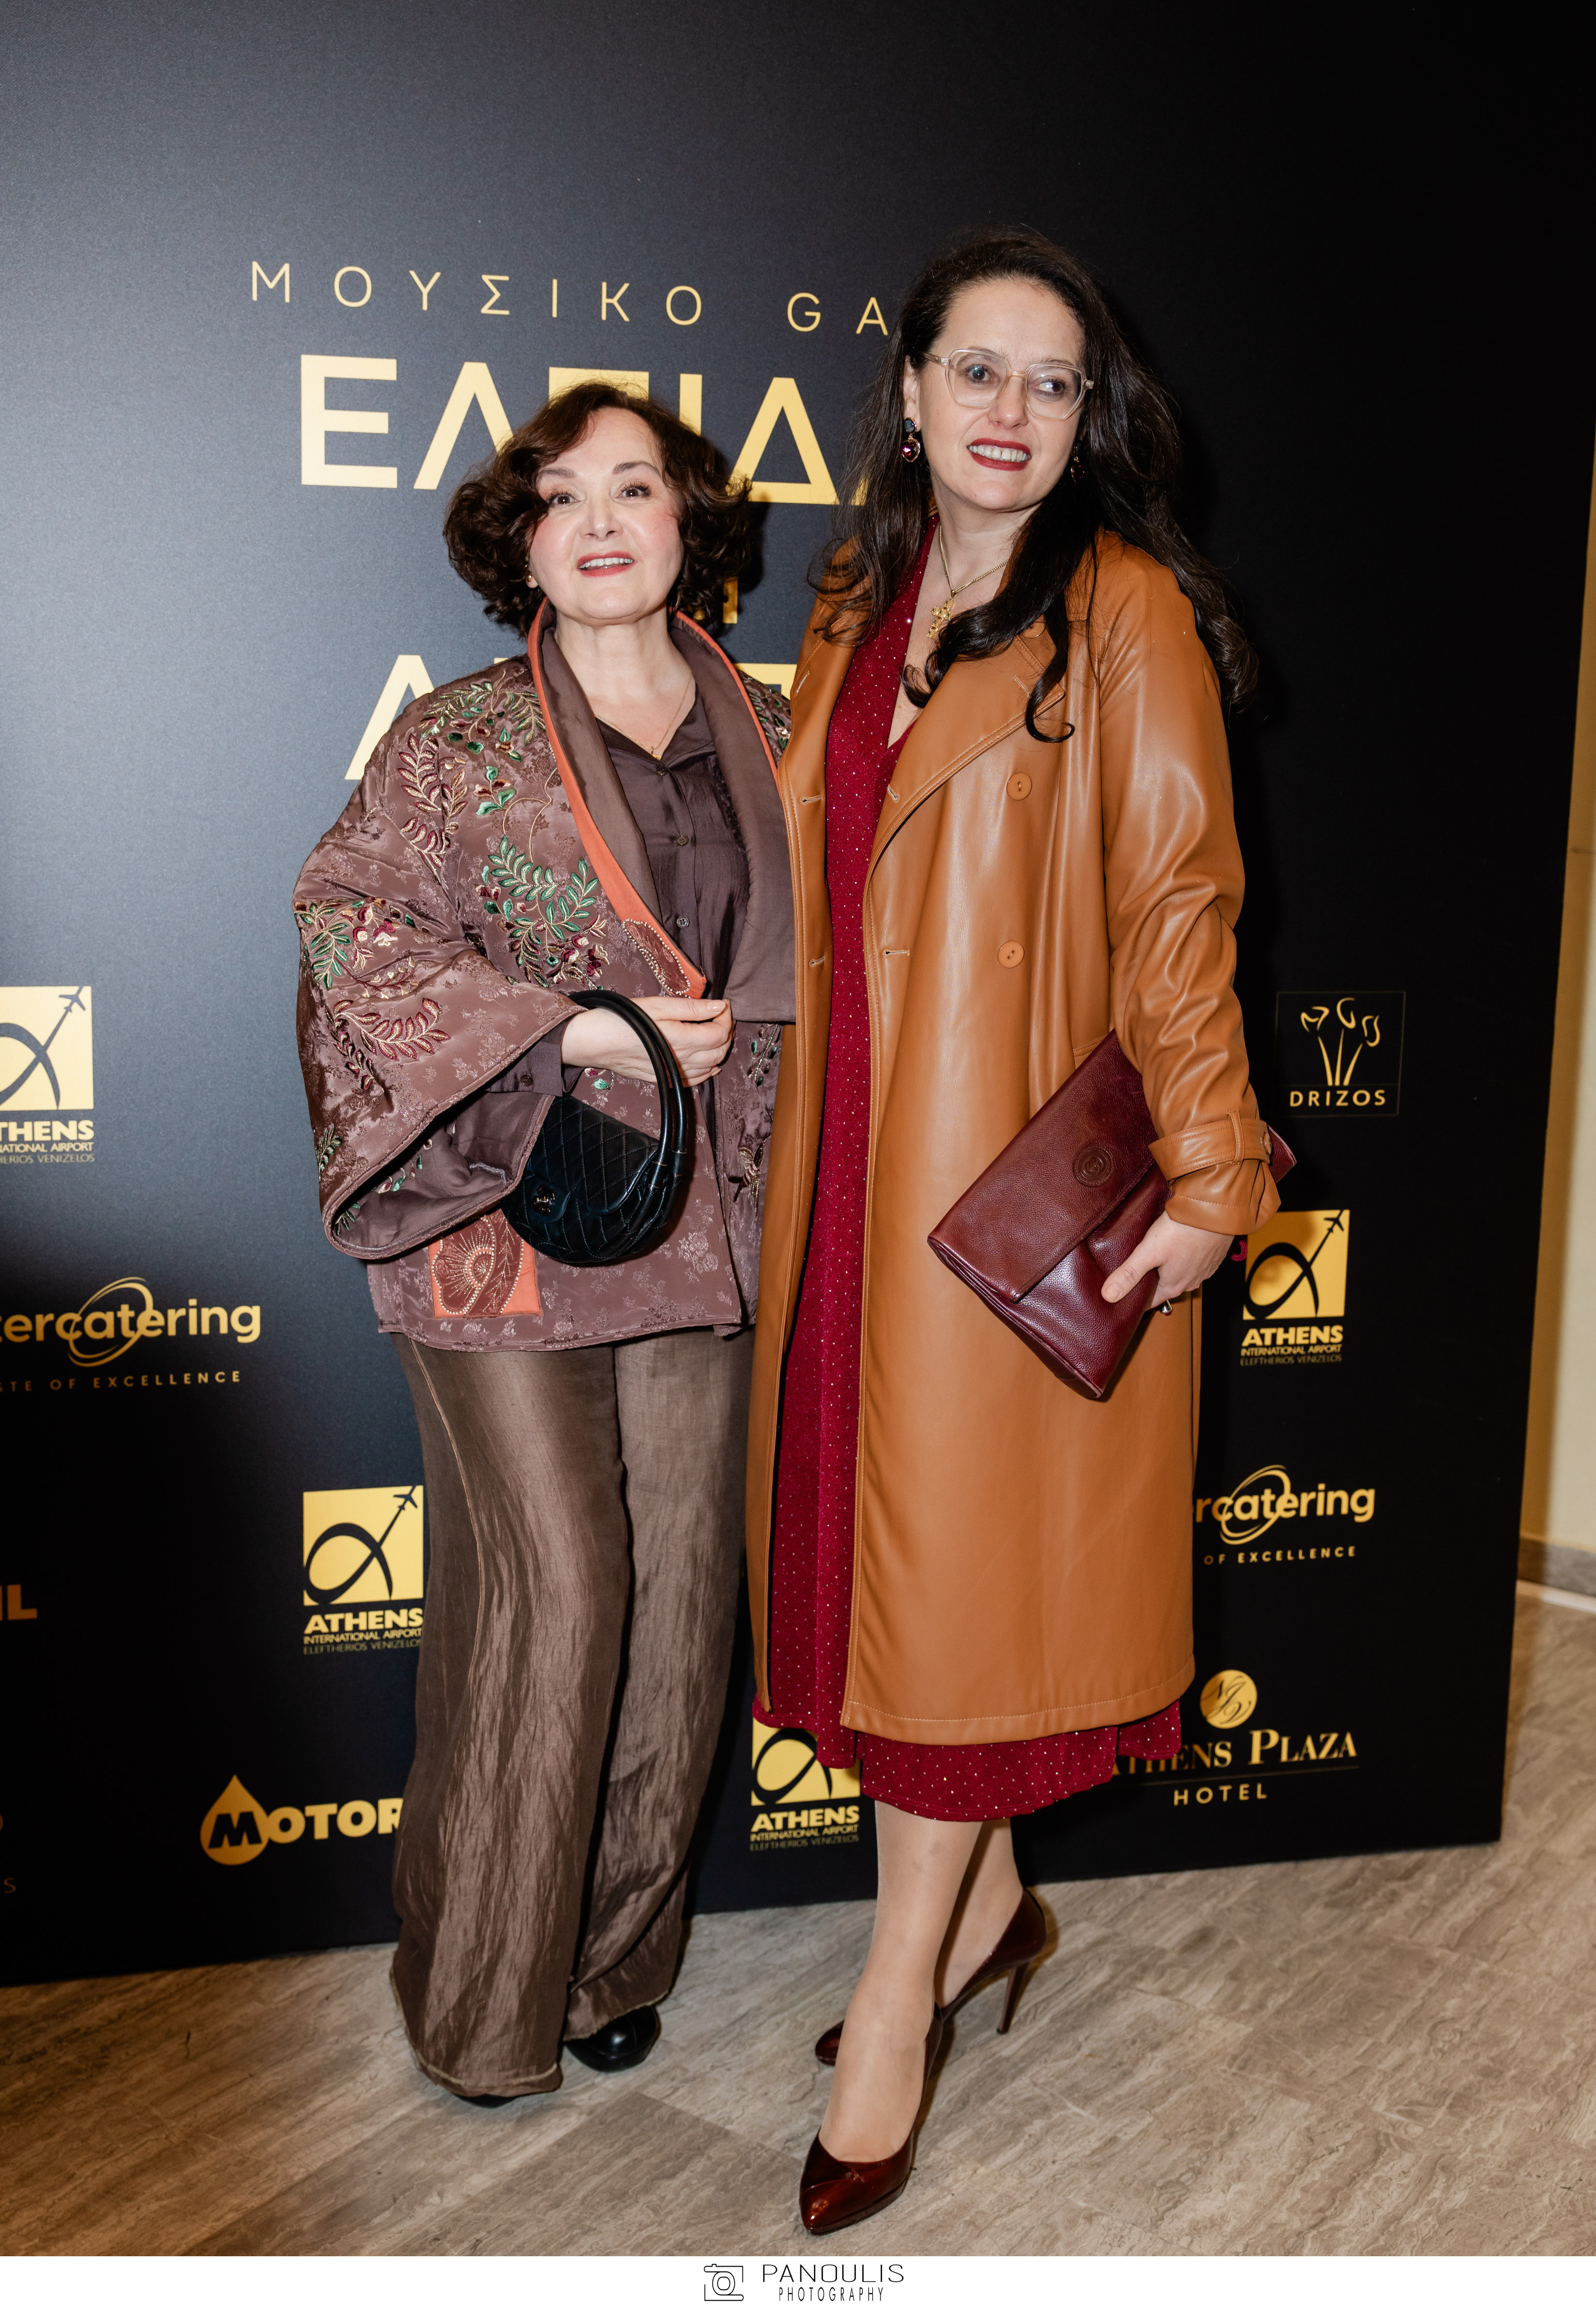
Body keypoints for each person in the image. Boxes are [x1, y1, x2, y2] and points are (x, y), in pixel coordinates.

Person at [746, 228, 1278, 2230]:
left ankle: (899, 2002)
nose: (1012, 411)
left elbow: (1180, 904)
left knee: (951, 1630)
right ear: (909, 391)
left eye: (1054, 383)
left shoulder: (1123, 608)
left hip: (1002, 1181)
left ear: (1088, 418)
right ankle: (992, 1916)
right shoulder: (859, 600)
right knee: (881, 1598)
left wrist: (1214, 1176)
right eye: (979, 370)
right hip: (850, 1162)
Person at [293, 384, 793, 2101]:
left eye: (634, 488)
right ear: (521, 539)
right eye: (561, 496)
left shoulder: (777, 729)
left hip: (714, 1223)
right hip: (506, 1217)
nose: (599, 523)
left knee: (682, 1596)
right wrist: (572, 1027)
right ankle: (485, 2000)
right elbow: (348, 925)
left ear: (688, 521)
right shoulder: (455, 739)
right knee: (558, 1591)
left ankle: (613, 1962)